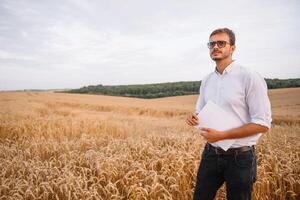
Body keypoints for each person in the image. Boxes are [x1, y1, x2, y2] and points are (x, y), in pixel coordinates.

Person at [186, 28, 272, 200]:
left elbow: (263, 123)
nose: (215, 46)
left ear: (232, 48)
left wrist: (223, 135)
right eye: (212, 44)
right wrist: (193, 118)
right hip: (211, 153)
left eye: (221, 43)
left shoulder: (249, 77)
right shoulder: (207, 80)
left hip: (240, 157)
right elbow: (200, 112)